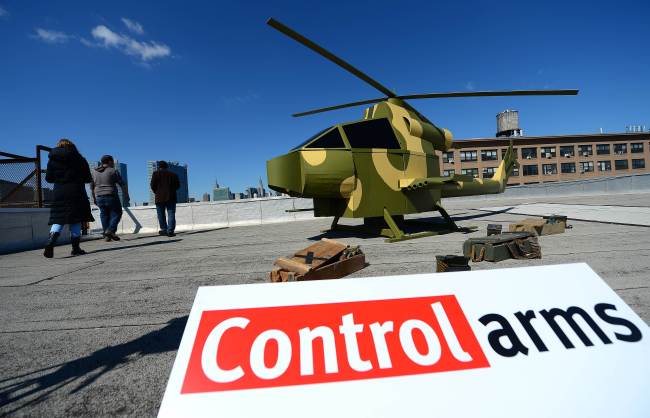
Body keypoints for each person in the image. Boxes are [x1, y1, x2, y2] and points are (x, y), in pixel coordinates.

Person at [43, 138, 95, 258]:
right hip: (76, 191)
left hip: (59, 191)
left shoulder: (53, 159)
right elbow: (88, 178)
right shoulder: (80, 159)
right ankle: (76, 248)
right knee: (75, 218)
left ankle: (51, 241)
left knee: (58, 218)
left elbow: (49, 179)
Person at [91, 155, 129, 241]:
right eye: (112, 162)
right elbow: (122, 184)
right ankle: (110, 230)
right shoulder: (113, 171)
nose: (113, 164)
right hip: (111, 195)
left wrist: (94, 198)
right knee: (117, 213)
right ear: (109, 161)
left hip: (99, 196)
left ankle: (107, 235)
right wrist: (126, 195)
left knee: (104, 215)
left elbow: (92, 186)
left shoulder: (94, 172)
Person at [150, 160, 180, 237]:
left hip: (159, 197)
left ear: (159, 167)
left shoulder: (155, 174)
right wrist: (171, 190)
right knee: (171, 214)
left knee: (161, 214)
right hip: (171, 197)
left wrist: (156, 192)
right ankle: (170, 230)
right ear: (167, 166)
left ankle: (164, 229)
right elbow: (178, 186)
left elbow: (152, 185)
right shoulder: (173, 175)